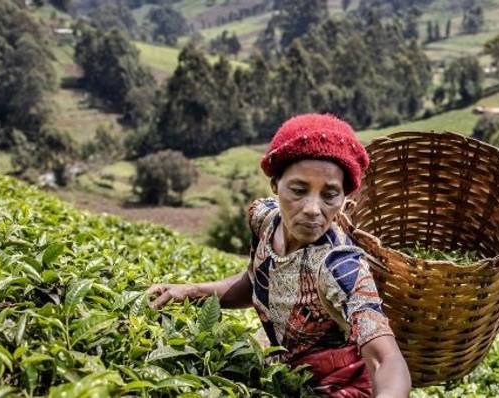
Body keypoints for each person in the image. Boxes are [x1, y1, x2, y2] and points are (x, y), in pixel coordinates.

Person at [147, 114, 411, 398]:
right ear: (276, 185)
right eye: (298, 190)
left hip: (341, 387)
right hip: (285, 374)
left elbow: (387, 360)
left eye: (329, 195)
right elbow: (258, 282)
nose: (312, 208)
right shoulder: (264, 219)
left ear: (345, 199)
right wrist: (190, 292)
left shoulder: (342, 266)